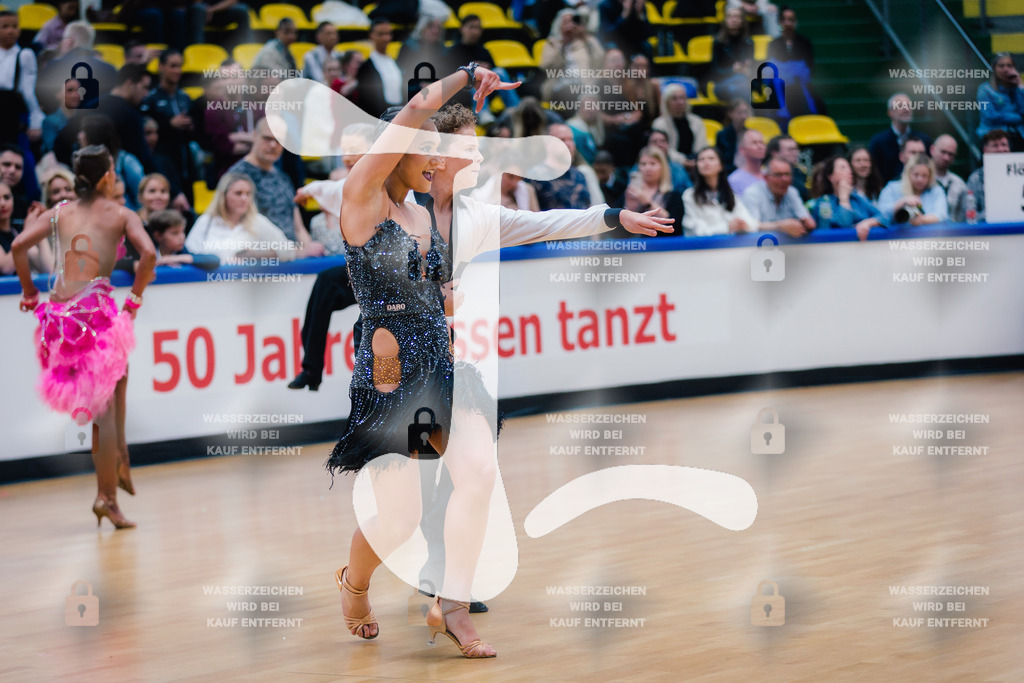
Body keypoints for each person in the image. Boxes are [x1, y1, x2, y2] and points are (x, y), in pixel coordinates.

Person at [328, 65, 520, 659]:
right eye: (428, 153)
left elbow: (437, 290)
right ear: (399, 153)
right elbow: (413, 110)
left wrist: (445, 297)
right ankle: (354, 584)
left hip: (446, 368)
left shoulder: (424, 217)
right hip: (391, 381)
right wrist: (466, 76)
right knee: (399, 520)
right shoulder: (362, 201)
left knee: (480, 475)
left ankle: (452, 606)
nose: (438, 163)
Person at [12, 145, 156, 529]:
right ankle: (106, 497)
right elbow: (150, 255)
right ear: (108, 176)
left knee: (119, 376)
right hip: (94, 315)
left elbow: (18, 246)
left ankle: (121, 460)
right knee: (103, 411)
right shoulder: (121, 214)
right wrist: (136, 299)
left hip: (59, 321)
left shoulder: (59, 212)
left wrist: (29, 293)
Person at [227, 118, 324, 256]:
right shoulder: (237, 177)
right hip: (260, 267)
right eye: (267, 138)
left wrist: (310, 250)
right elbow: (238, 234)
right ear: (254, 135)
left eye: (279, 140)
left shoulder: (283, 178)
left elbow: (298, 228)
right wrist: (294, 252)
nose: (273, 145)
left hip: (294, 262)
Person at [184, 173, 298, 264]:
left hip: (244, 287)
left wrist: (256, 256)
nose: (244, 198)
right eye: (238, 193)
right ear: (223, 196)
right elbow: (189, 253)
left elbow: (287, 251)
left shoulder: (258, 221)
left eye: (248, 194)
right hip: (207, 286)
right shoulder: (206, 221)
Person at [140, 50, 195, 207]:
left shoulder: (184, 97)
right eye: (173, 66)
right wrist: (169, 125)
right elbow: (145, 131)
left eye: (179, 66)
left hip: (185, 160)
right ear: (161, 67)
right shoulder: (150, 99)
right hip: (161, 161)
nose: (177, 71)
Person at [682, 146, 755, 236]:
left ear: (721, 165)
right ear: (697, 166)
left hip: (731, 247)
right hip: (704, 248)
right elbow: (695, 230)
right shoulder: (689, 195)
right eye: (701, 159)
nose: (706, 162)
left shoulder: (730, 194)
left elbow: (751, 223)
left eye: (711, 158)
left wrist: (743, 224)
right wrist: (727, 227)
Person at [807, 155, 883, 240]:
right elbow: (843, 225)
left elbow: (884, 218)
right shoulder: (824, 202)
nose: (849, 171)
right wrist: (844, 199)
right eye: (843, 168)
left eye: (849, 167)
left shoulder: (858, 198)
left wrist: (868, 223)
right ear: (831, 177)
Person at [539, 9, 605, 103]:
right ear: (559, 25)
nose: (571, 25)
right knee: (572, 93)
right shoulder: (552, 43)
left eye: (573, 21)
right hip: (560, 87)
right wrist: (562, 44)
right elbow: (545, 66)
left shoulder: (588, 41)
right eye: (566, 22)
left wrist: (584, 37)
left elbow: (600, 60)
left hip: (583, 85)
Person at [0, 10, 45, 146]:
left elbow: (28, 92)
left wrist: (35, 121)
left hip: (10, 112)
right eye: (5, 27)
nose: (10, 31)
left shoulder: (25, 55)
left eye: (14, 26)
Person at [766, 5, 819, 119]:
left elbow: (810, 68)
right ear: (779, 22)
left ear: (795, 22)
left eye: (791, 20)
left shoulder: (804, 42)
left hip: (800, 85)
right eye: (784, 20)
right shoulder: (773, 44)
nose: (787, 23)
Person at [741, 158, 815, 237]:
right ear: (766, 177)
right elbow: (750, 226)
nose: (784, 179)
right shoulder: (752, 193)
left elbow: (807, 221)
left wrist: (806, 222)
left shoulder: (792, 192)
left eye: (787, 174)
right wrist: (780, 226)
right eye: (778, 175)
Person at [868, 93, 933, 183]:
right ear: (890, 112)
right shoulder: (878, 142)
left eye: (908, 106)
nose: (906, 109)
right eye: (900, 106)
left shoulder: (924, 140)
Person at [624, 146, 684, 234]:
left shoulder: (674, 196)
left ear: (662, 167)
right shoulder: (630, 193)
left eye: (652, 164)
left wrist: (648, 203)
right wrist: (628, 208)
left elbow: (674, 226)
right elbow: (618, 229)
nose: (647, 168)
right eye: (643, 164)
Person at [878, 153, 948, 225]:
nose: (920, 180)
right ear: (908, 173)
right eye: (916, 174)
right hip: (896, 234)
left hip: (928, 235)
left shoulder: (936, 191)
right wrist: (902, 202)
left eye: (924, 176)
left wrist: (922, 219)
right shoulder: (892, 188)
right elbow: (880, 214)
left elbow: (942, 215)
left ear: (930, 177)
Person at [651, 83, 707, 173]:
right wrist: (683, 161)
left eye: (682, 98)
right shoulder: (659, 124)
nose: (680, 102)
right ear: (667, 102)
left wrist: (697, 160)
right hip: (670, 163)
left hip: (695, 162)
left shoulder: (697, 121)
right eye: (674, 99)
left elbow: (702, 146)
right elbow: (662, 148)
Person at [1, 181, 52, 275]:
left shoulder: (15, 232)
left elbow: (47, 269)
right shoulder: (23, 233)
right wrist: (27, 231)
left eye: (7, 197)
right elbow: (6, 268)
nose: (2, 203)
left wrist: (39, 227)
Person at [356, 20, 404, 118]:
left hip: (398, 114)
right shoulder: (366, 68)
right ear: (371, 36)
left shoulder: (395, 62)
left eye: (388, 34)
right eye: (380, 34)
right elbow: (368, 101)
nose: (385, 38)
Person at [976, 52, 1024, 146]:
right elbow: (991, 116)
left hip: (1018, 135)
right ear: (994, 68)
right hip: (993, 136)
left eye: (1009, 66)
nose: (1005, 69)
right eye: (1001, 66)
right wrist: (1019, 118)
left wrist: (1020, 85)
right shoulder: (985, 90)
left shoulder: (1017, 89)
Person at [147, 209, 219, 270]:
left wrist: (175, 258)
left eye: (183, 232)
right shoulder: (146, 251)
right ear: (158, 236)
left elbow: (215, 260)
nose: (182, 237)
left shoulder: (183, 253)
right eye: (175, 233)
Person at [709, 7, 754, 103]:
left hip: (744, 81)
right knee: (739, 85)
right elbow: (715, 70)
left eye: (737, 17)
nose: (734, 19)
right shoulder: (718, 43)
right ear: (725, 20)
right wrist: (732, 70)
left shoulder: (749, 42)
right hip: (722, 83)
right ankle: (749, 115)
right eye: (730, 17)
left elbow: (752, 66)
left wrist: (748, 69)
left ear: (742, 20)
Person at [966, 129, 1012, 223]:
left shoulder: (1020, 175)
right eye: (995, 145)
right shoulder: (975, 179)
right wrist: (993, 214)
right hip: (988, 232)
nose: (1001, 149)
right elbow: (970, 215)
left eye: (1004, 145)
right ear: (985, 150)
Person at [930, 134, 968, 223]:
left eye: (951, 154)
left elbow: (964, 216)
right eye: (943, 152)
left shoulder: (959, 184)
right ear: (932, 149)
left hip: (954, 233)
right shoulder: (920, 180)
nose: (946, 158)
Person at [765, 134, 808, 200]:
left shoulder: (799, 172)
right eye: (790, 150)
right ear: (775, 154)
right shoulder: (767, 175)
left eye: (796, 149)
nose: (796, 153)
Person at [728, 128, 767, 196]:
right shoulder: (734, 180)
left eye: (761, 142)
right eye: (754, 143)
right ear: (742, 149)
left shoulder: (770, 174)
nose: (760, 146)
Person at [716, 99, 751, 174]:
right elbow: (722, 159)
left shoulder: (750, 134)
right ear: (730, 114)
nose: (743, 116)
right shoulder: (722, 135)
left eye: (745, 112)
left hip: (747, 171)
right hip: (728, 172)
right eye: (739, 113)